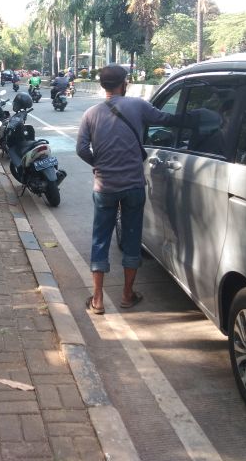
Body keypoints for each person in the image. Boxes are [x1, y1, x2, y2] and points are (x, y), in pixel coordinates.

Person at [76, 64, 189, 315]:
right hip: (133, 187)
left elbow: (82, 149)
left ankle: (97, 300)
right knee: (131, 239)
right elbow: (166, 119)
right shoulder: (138, 106)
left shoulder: (90, 114)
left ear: (102, 85)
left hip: (104, 187)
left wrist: (99, 164)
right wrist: (193, 116)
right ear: (123, 83)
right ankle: (127, 295)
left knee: (100, 240)